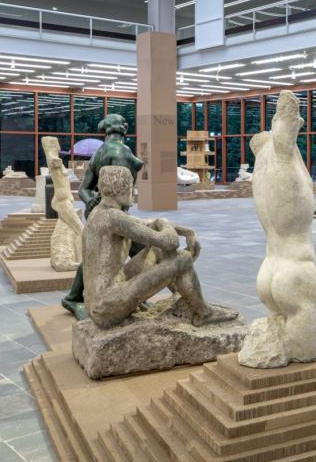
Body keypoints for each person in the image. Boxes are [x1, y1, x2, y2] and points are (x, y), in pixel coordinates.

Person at [82, 165, 209, 329]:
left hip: (100, 301)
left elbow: (149, 224)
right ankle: (204, 313)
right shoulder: (113, 217)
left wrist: (188, 232)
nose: (133, 192)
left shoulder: (99, 213)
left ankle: (182, 296)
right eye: (131, 187)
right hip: (106, 307)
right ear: (120, 188)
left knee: (157, 250)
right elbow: (170, 241)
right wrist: (164, 222)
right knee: (183, 259)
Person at [61, 113, 145, 318]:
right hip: (111, 212)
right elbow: (119, 186)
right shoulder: (120, 152)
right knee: (140, 250)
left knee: (99, 252)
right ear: (123, 129)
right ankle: (75, 297)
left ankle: (76, 296)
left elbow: (83, 189)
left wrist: (91, 201)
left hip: (106, 211)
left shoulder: (102, 152)